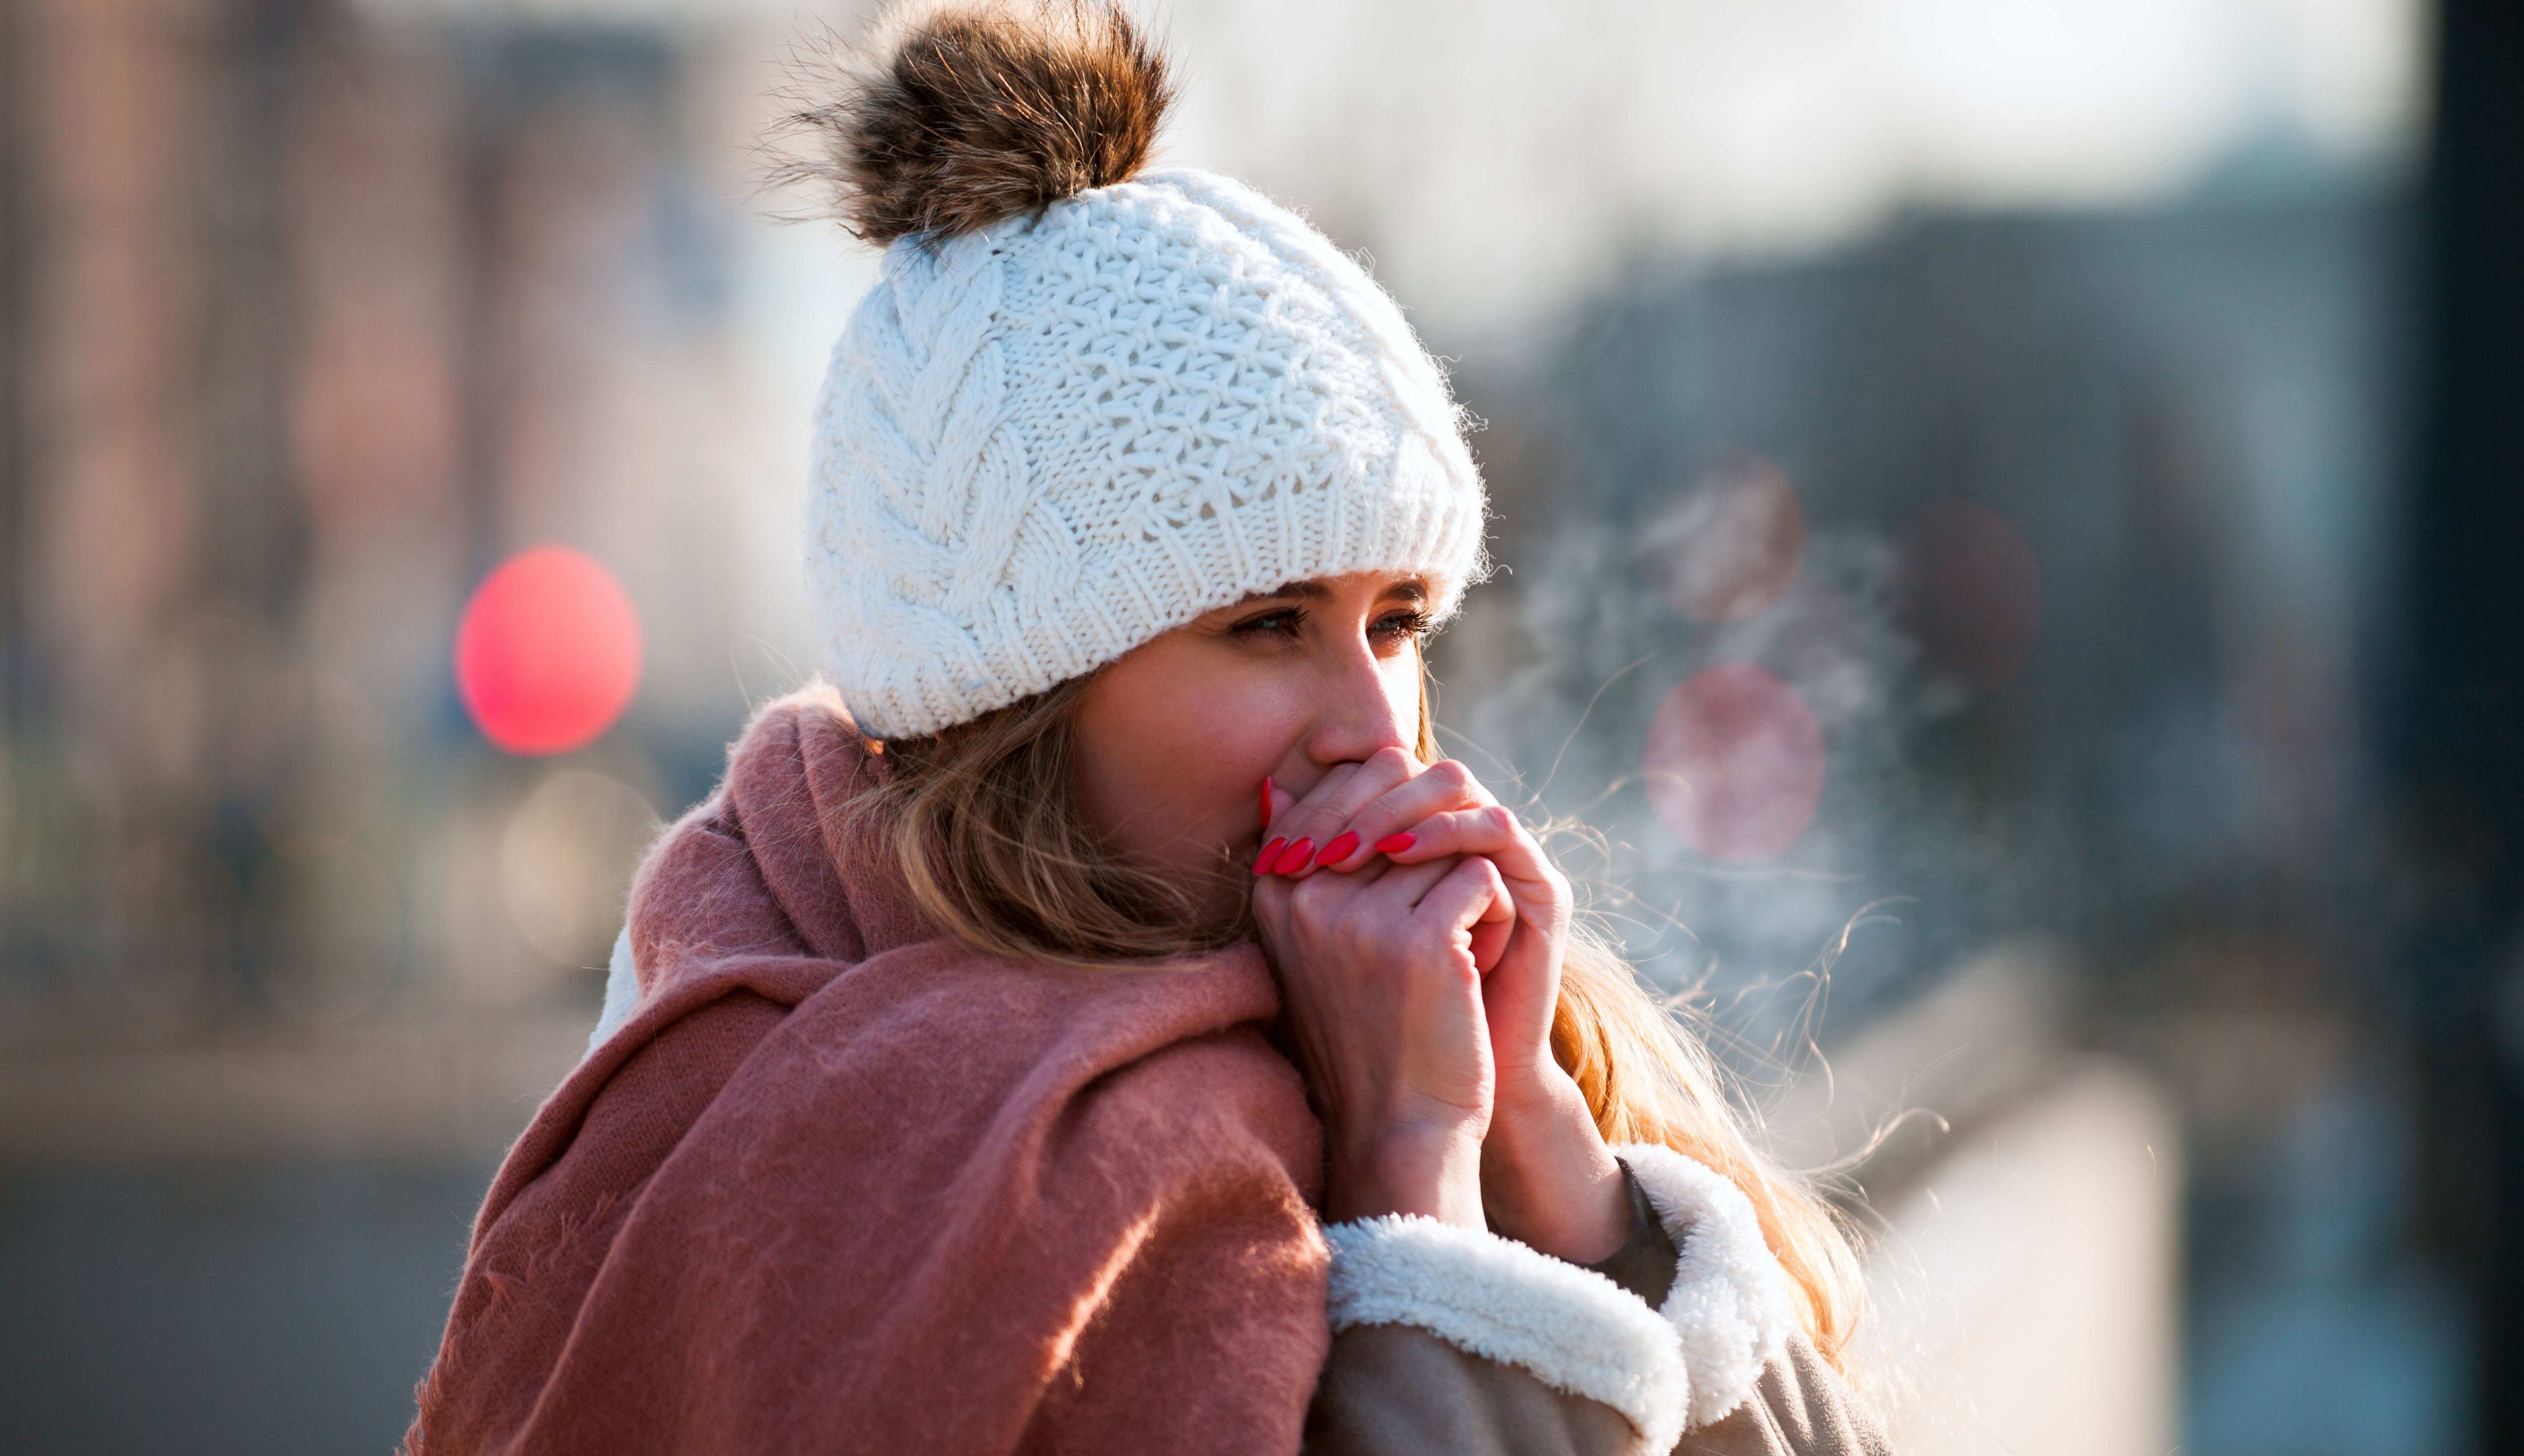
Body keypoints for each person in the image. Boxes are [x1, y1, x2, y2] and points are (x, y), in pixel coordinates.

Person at [409, 3, 1890, 1452]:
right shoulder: (793, 1121)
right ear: (1019, 707)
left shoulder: (1468, 1031)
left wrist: (1556, 1161)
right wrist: (1406, 1184)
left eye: (1397, 623)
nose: (1375, 726)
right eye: (1267, 626)